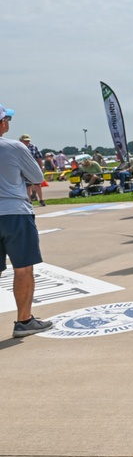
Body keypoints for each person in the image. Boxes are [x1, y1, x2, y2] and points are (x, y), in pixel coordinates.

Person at [0, 105, 53, 338]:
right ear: (2, 123)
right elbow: (37, 177)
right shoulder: (14, 146)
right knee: (23, 268)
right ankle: (24, 321)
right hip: (14, 213)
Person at [18, 134, 44, 207]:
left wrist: (40, 168)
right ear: (21, 141)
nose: (27, 142)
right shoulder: (17, 147)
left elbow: (39, 158)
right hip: (23, 168)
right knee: (27, 185)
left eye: (28, 141)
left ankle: (41, 200)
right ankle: (29, 201)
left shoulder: (33, 147)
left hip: (33, 168)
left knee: (37, 184)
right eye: (25, 141)